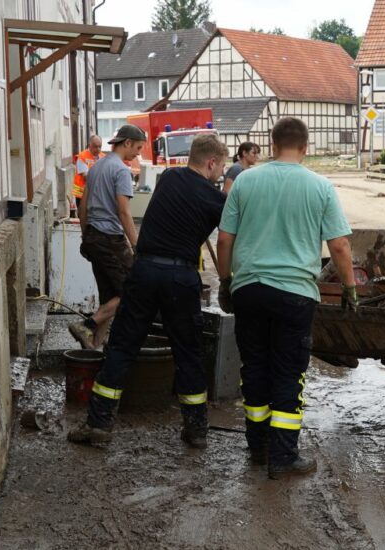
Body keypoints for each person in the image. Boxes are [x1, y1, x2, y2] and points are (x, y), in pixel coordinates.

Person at [215, 117, 357, 479]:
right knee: (288, 372)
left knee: (255, 368)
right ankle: (283, 456)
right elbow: (339, 245)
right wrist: (350, 287)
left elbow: (225, 240)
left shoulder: (245, 181)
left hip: (249, 290)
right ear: (306, 147)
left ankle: (258, 447)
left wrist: (226, 281)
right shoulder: (320, 186)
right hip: (295, 295)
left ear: (272, 144)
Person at [68, 134, 228, 448]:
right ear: (211, 162)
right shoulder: (216, 199)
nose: (220, 172)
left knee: (121, 347)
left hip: (144, 272)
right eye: (220, 167)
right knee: (188, 353)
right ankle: (196, 429)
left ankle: (99, 423)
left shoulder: (168, 177)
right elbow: (230, 235)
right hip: (180, 278)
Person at [68, 125, 145, 350]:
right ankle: (86, 325)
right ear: (127, 143)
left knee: (109, 298)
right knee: (134, 291)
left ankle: (93, 349)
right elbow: (124, 211)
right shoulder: (121, 171)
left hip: (93, 236)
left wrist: (86, 237)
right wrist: (136, 245)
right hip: (111, 238)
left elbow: (82, 209)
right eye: (137, 148)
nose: (138, 153)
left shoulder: (97, 166)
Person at [72, 135, 105, 209]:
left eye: (100, 146)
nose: (98, 149)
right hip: (82, 194)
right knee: (84, 216)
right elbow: (86, 176)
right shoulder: (82, 157)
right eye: (95, 146)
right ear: (90, 145)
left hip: (98, 194)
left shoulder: (103, 157)